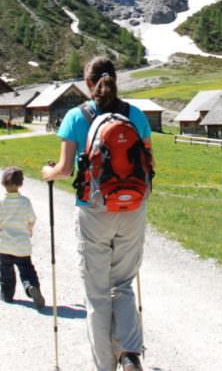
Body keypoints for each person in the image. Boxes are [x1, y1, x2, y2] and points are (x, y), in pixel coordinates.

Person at [42, 56, 153, 371]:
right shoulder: (135, 115)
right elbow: (150, 165)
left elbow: (63, 170)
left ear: (88, 83)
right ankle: (130, 353)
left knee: (98, 294)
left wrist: (46, 172)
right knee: (124, 283)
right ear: (115, 80)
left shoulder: (76, 117)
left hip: (95, 211)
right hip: (133, 208)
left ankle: (105, 367)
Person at [0, 166, 46, 310]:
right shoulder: (25, 202)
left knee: (6, 272)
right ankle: (31, 287)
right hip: (22, 246)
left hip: (4, 246)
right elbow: (32, 219)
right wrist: (29, 229)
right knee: (27, 271)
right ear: (21, 184)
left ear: (2, 183)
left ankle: (7, 295)